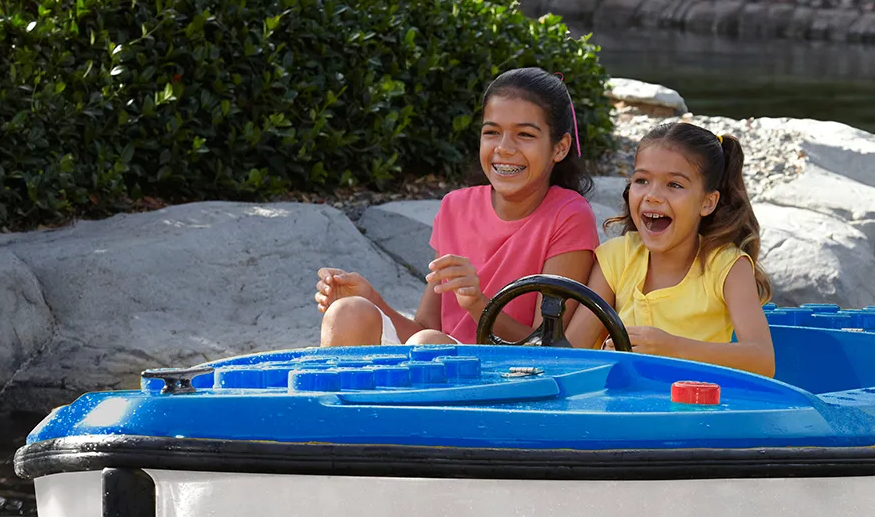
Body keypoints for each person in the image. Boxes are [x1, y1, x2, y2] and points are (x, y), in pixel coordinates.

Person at [315, 67, 599, 346]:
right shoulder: (456, 206)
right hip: (437, 353)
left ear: (560, 147)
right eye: (492, 132)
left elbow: (546, 347)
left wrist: (478, 304)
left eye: (525, 134)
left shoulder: (569, 215)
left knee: (428, 345)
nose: (504, 148)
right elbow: (424, 327)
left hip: (509, 375)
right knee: (348, 311)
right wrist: (372, 300)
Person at [564, 122, 775, 377]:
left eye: (674, 185)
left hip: (698, 412)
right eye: (642, 180)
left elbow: (763, 360)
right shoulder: (616, 257)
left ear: (707, 203)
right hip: (622, 410)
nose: (653, 195)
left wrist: (673, 348)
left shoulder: (727, 266)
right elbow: (571, 352)